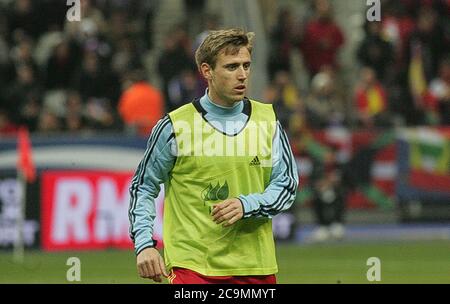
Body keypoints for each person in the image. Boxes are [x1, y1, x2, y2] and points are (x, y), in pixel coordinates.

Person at [128, 28, 298, 284]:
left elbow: (286, 185)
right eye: (231, 67)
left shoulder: (268, 122)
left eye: (246, 65)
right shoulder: (175, 126)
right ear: (207, 71)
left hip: (255, 268)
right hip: (193, 268)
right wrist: (144, 244)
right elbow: (143, 186)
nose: (242, 75)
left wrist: (246, 205)